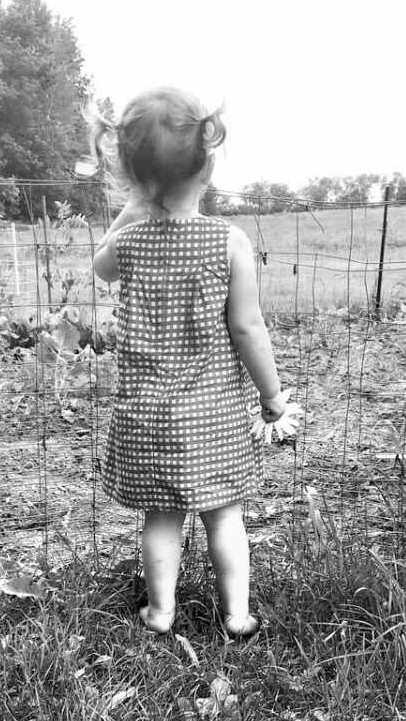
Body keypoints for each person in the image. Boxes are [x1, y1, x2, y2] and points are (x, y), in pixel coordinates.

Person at [89, 87, 286, 637]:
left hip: (148, 414)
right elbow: (248, 328)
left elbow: (100, 268)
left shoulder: (129, 242)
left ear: (132, 174)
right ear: (208, 165)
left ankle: (161, 612)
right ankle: (238, 614)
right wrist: (271, 397)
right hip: (215, 413)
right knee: (226, 515)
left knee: (161, 519)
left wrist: (133, 207)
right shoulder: (228, 242)